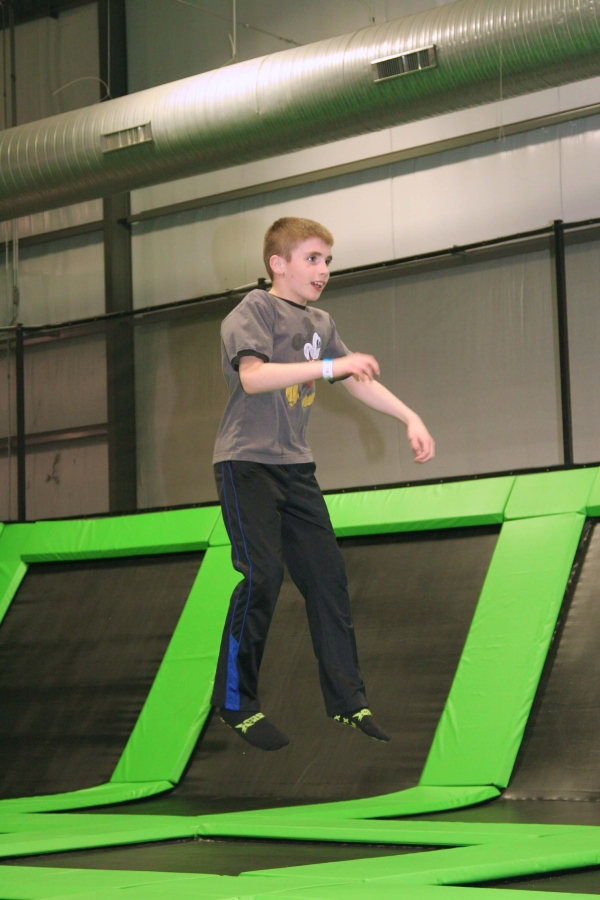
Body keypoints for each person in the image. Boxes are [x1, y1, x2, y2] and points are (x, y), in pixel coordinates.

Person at [212, 217, 435, 751]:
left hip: (296, 468)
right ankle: (236, 702)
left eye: (328, 261)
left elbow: (355, 380)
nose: (324, 270)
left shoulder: (320, 322)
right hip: (247, 465)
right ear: (278, 264)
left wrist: (409, 417)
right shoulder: (253, 311)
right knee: (262, 577)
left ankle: (346, 699)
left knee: (327, 578)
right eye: (312, 258)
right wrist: (330, 366)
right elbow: (253, 377)